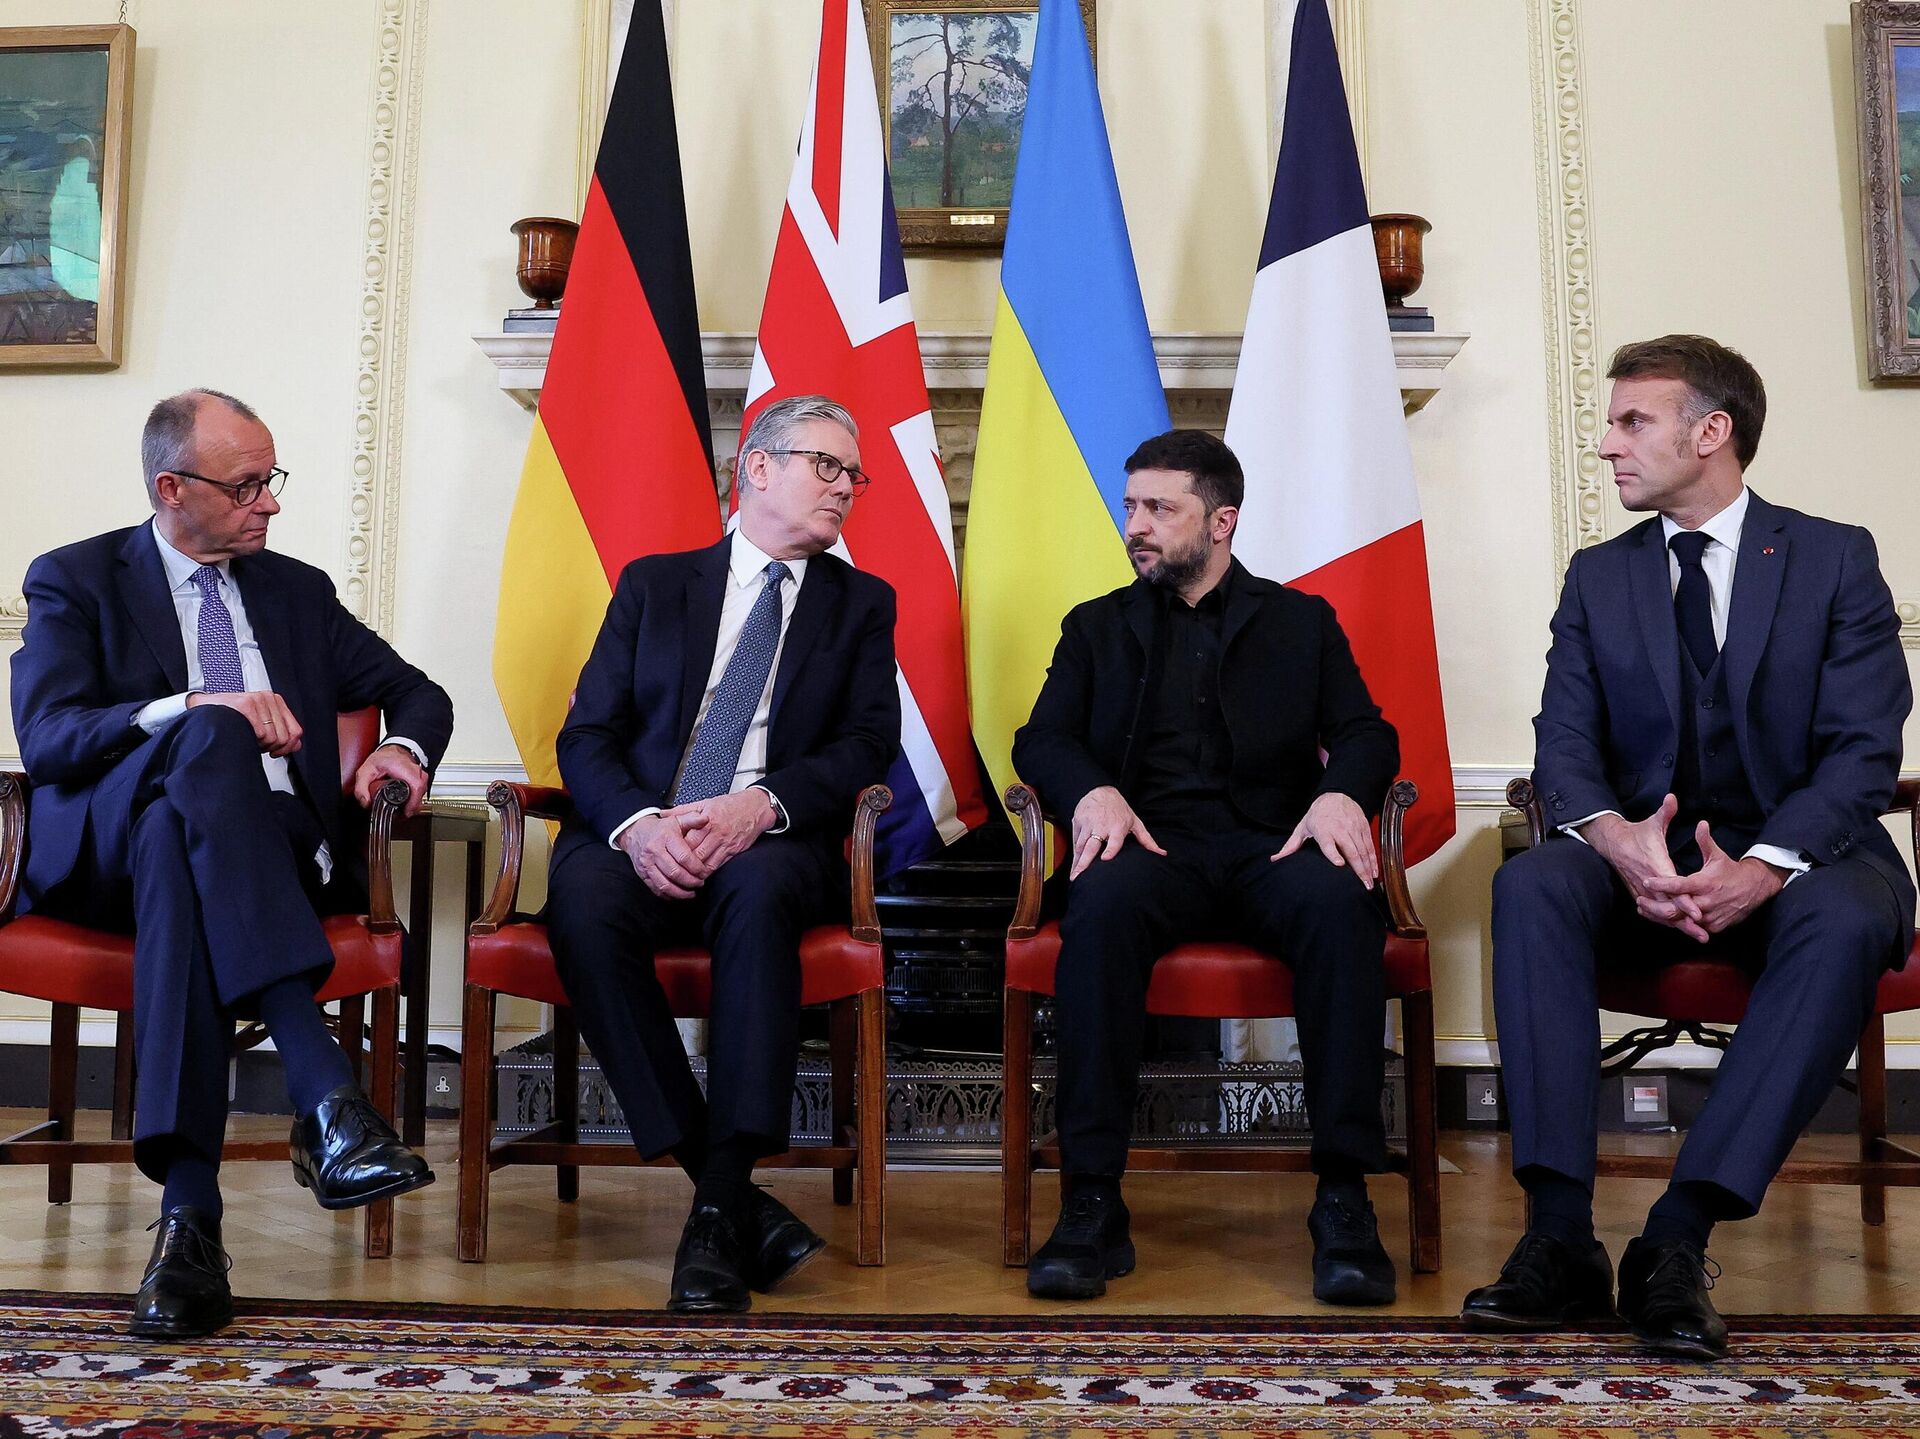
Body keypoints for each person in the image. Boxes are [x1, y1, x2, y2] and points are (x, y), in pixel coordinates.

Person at [1463, 335, 1914, 1361]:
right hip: (1643, 869)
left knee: (1849, 911)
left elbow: (1862, 751)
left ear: (1712, 432)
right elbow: (1563, 742)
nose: (1606, 444)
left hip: (1804, 864)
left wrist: (1763, 867)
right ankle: (1559, 1236)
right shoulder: (1599, 576)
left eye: (1633, 421)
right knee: (1533, 883)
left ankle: (1676, 1237)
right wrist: (1616, 841)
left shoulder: (1832, 558)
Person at [10, 389, 453, 1340]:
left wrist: (401, 749)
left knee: (181, 847)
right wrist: (193, 707)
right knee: (205, 748)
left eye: (271, 479)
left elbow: (419, 691)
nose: (271, 502)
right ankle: (325, 1093)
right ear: (171, 488)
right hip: (106, 858)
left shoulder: (296, 592)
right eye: (247, 485)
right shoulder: (76, 578)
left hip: (271, 846)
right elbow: (47, 738)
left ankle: (189, 1224)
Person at [1011, 428, 1401, 1305]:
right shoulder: (1095, 625)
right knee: (1098, 909)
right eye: (1131, 506)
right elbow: (1041, 738)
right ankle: (1092, 1198)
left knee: (1342, 905)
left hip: (1274, 846)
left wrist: (1340, 795)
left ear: (1221, 521)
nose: (1136, 526)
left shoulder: (1301, 621)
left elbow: (1367, 732)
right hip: (1150, 847)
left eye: (1159, 508)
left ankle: (1344, 1195)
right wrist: (1092, 793)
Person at [546, 393, 900, 1313]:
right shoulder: (655, 584)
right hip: (644, 826)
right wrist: (640, 824)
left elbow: (868, 744)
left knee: (760, 889)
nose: (846, 487)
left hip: (769, 837)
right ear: (758, 468)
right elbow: (587, 734)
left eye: (854, 475)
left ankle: (718, 1199)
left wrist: (761, 804)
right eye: (827, 465)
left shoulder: (862, 603)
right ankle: (729, 1195)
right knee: (582, 902)